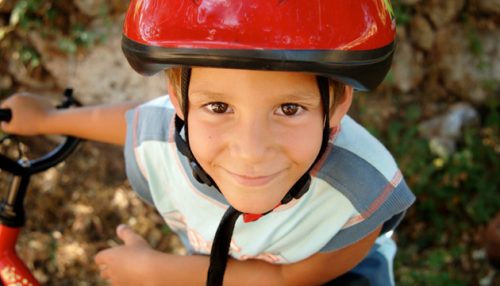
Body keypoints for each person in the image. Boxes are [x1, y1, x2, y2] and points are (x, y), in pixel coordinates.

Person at [1, 0, 415, 285]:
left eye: (289, 109)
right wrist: (46, 119)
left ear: (338, 103)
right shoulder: (162, 131)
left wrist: (155, 273)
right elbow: (133, 123)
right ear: (179, 100)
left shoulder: (360, 195)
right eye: (218, 107)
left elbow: (288, 280)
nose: (251, 151)